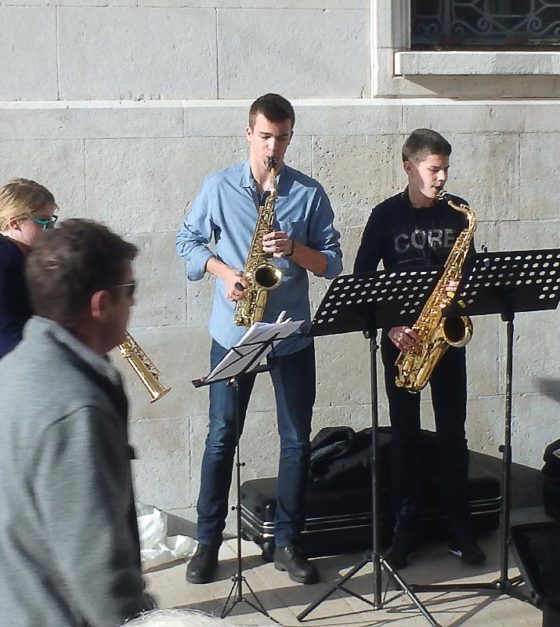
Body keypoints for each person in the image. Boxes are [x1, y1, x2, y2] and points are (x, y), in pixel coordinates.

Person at [176, 93, 342, 585]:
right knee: (221, 437)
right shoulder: (217, 186)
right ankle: (208, 542)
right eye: (266, 137)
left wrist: (295, 249)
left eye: (283, 138)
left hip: (290, 332)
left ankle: (288, 542)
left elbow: (332, 263)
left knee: (295, 443)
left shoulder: (308, 193)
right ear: (249, 133)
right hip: (233, 332)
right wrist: (224, 272)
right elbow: (186, 240)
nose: (274, 148)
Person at [0, 219, 151, 625]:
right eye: (129, 292)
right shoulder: (76, 410)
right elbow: (100, 575)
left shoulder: (16, 368)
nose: (133, 304)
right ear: (101, 304)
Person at [354, 128, 485, 569]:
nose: (442, 177)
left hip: (446, 338)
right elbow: (362, 279)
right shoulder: (385, 216)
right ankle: (403, 532)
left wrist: (461, 288)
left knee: (454, 437)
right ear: (409, 167)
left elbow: (475, 278)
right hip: (403, 342)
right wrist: (391, 325)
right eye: (433, 169)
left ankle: (460, 530)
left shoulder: (457, 215)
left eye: (446, 168)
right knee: (405, 440)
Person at [0, 178, 57, 359]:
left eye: (52, 221)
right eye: (43, 222)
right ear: (15, 222)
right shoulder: (4, 263)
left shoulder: (24, 258)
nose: (50, 230)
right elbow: (9, 336)